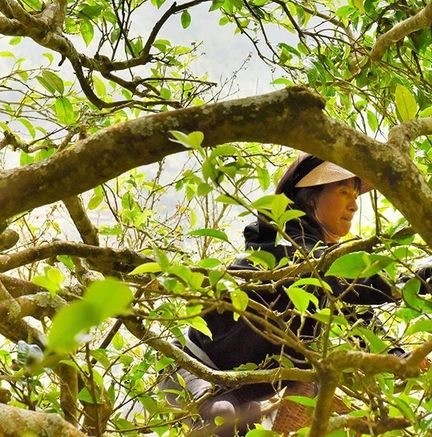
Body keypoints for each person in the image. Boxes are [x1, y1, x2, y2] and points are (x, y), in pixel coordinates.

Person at [161, 153, 398, 436]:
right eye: (344, 192)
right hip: (194, 369)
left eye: (356, 194)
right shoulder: (284, 254)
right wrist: (418, 283)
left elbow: (358, 316)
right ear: (310, 199)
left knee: (321, 386)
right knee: (222, 417)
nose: (354, 205)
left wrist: (395, 354)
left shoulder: (325, 269)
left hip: (245, 393)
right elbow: (354, 280)